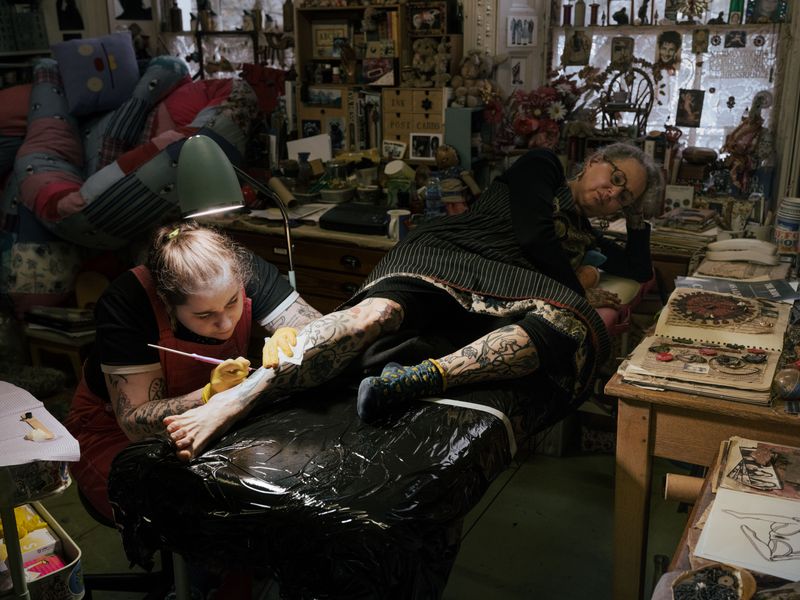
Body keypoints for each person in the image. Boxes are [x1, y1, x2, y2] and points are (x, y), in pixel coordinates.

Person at [164, 143, 662, 461]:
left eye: (625, 197)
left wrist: (636, 220)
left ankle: (418, 379)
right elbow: (533, 235)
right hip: (451, 253)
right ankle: (239, 397)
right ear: (594, 161)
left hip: (506, 289)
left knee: (567, 327)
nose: (613, 194)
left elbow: (640, 268)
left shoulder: (586, 232)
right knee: (375, 313)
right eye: (615, 177)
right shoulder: (544, 165)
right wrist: (577, 284)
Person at [64, 221, 322, 521]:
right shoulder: (128, 302)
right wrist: (209, 394)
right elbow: (134, 423)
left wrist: (300, 335)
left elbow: (321, 326)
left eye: (233, 302)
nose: (226, 323)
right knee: (191, 514)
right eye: (205, 314)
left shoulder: (235, 266)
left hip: (218, 415)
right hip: (113, 433)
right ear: (167, 302)